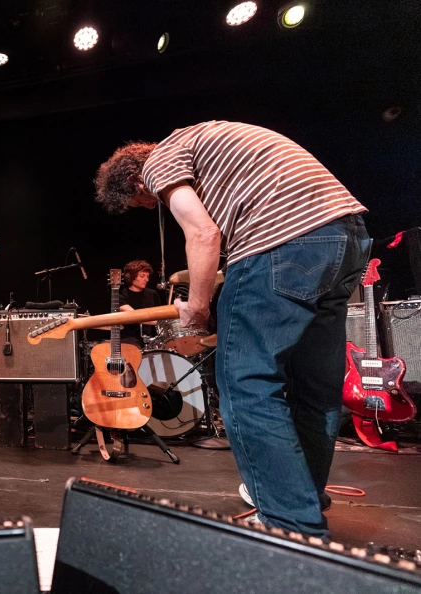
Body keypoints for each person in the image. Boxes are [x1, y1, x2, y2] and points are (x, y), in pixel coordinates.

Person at [95, 121, 370, 538]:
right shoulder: (205, 140)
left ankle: (288, 523)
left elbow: (204, 233)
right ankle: (300, 501)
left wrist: (197, 307)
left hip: (281, 240)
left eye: (141, 201)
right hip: (344, 235)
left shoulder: (159, 160)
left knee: (245, 382)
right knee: (314, 388)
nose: (151, 207)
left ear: (134, 179)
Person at [117, 260, 160, 348]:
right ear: (131, 276)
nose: (146, 279)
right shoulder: (121, 295)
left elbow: (159, 313)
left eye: (147, 276)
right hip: (129, 339)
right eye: (142, 276)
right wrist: (159, 322)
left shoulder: (152, 294)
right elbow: (134, 315)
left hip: (150, 339)